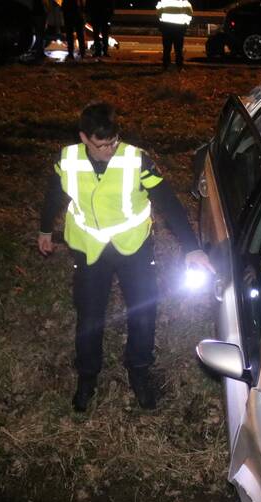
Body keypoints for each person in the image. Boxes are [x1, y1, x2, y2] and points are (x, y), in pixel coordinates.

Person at [38, 102, 212, 411]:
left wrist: (192, 247)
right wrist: (45, 229)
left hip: (134, 247)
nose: (109, 149)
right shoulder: (67, 159)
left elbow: (168, 202)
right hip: (90, 249)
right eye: (102, 145)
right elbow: (54, 193)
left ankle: (139, 371)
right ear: (84, 138)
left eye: (113, 142)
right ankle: (88, 376)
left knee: (143, 312)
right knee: (90, 317)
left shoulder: (137, 160)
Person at [156, 0, 193, 69]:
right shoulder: (184, 2)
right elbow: (190, 13)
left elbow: (158, 13)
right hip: (179, 28)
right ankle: (179, 66)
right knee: (178, 49)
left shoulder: (163, 2)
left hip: (167, 27)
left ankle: (166, 65)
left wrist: (162, 23)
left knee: (167, 48)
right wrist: (186, 24)